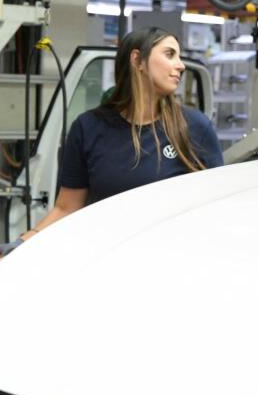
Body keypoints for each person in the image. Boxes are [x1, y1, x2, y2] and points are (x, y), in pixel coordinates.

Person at [21, 27, 224, 241]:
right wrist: (23, 242)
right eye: (169, 54)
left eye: (179, 57)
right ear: (137, 61)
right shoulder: (88, 127)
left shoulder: (195, 127)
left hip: (170, 258)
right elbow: (66, 208)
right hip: (106, 256)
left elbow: (219, 206)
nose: (181, 65)